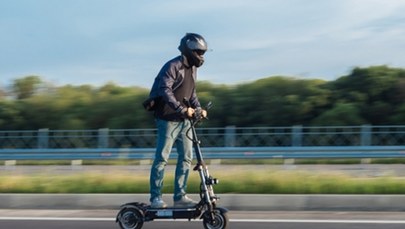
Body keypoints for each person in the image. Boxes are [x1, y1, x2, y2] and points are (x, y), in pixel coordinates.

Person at [149, 33, 208, 208]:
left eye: (202, 52)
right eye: (198, 51)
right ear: (189, 49)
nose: (201, 55)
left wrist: (198, 108)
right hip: (167, 119)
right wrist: (181, 109)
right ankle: (155, 198)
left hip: (185, 121)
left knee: (186, 158)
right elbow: (164, 90)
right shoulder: (173, 66)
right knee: (162, 158)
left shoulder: (192, 69)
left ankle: (180, 197)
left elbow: (191, 94)